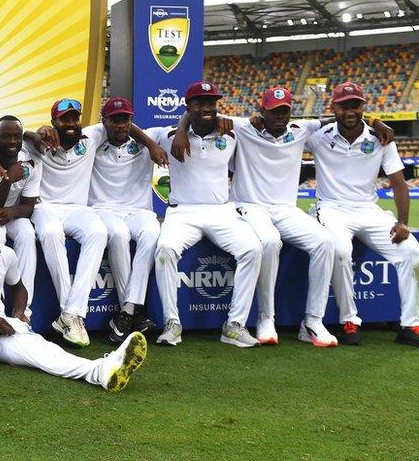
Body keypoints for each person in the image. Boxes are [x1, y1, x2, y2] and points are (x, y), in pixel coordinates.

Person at [0, 190, 148, 400]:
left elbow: (18, 287)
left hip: (2, 325)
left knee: (48, 354)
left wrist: (19, 312)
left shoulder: (3, 253)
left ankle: (103, 371)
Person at [175, 87, 356, 347]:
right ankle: (266, 318)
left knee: (325, 241)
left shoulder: (301, 129)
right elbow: (196, 114)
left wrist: (374, 122)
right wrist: (181, 130)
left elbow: (339, 118)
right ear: (262, 111)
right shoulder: (242, 126)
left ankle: (313, 321)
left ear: (290, 112)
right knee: (270, 241)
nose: (279, 116)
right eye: (273, 111)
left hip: (286, 209)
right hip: (250, 206)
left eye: (284, 111)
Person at [19, 98, 166, 347]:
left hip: (78, 209)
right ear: (54, 121)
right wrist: (34, 133)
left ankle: (71, 314)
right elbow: (14, 134)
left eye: (74, 118)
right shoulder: (39, 142)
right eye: (64, 119)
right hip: (45, 207)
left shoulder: (92, 136)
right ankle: (71, 313)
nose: (70, 124)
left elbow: (126, 126)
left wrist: (150, 144)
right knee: (51, 232)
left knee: (98, 232)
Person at [307, 81, 419, 347]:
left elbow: (398, 182)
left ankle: (409, 324)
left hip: (369, 209)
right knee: (341, 250)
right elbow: (285, 128)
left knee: (412, 251)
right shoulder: (318, 136)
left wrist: (402, 222)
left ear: (363, 107)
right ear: (333, 107)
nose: (350, 111)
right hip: (331, 208)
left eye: (355, 105)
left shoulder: (380, 138)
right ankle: (349, 320)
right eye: (344, 106)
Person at [155, 81, 262, 348]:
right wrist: (181, 129)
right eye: (199, 103)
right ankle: (172, 323)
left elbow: (260, 120)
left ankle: (234, 325)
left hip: (221, 211)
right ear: (187, 106)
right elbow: (133, 132)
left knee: (253, 249)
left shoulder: (231, 131)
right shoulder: (167, 135)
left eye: (211, 103)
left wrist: (376, 122)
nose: (207, 108)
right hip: (183, 213)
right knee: (165, 249)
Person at [89, 97, 165, 344]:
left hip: (139, 210)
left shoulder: (147, 139)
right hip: (102, 209)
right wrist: (148, 141)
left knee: (152, 233)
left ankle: (127, 311)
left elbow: (183, 125)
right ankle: (134, 311)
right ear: (104, 122)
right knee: (119, 234)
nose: (121, 125)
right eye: (115, 120)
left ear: (132, 121)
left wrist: (150, 144)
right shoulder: (94, 139)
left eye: (126, 120)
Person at [0, 115, 41, 316]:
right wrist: (8, 180)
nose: (13, 141)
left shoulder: (30, 163)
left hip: (12, 215)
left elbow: (28, 206)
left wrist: (12, 211)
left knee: (27, 233)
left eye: (17, 137)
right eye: (6, 136)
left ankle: (23, 311)